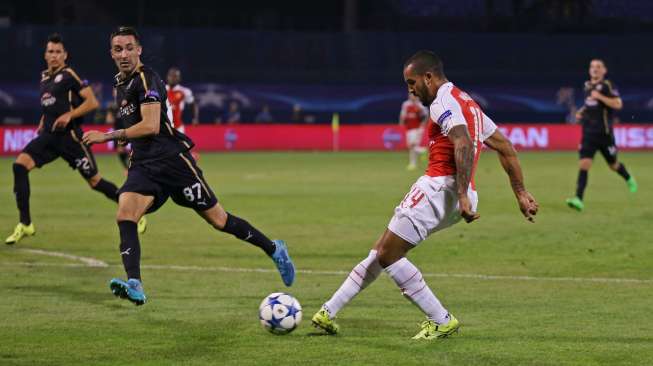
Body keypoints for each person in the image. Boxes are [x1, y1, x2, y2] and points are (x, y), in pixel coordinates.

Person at [311, 50, 539, 340]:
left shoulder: (442, 102)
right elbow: (505, 147)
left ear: (428, 77)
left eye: (412, 82)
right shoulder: (467, 103)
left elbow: (464, 144)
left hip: (440, 188)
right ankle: (328, 311)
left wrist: (461, 193)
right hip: (454, 193)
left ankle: (441, 319)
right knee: (382, 248)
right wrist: (519, 192)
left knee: (388, 254)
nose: (410, 90)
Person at [82, 27, 295, 306]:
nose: (124, 54)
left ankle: (273, 249)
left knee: (219, 220)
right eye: (118, 49)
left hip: (172, 161)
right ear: (111, 53)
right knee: (125, 214)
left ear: (139, 50)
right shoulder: (121, 83)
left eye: (129, 48)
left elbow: (150, 125)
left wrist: (107, 136)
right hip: (145, 165)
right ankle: (135, 283)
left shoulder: (147, 79)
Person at [4, 33, 144, 245]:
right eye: (50, 51)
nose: (54, 56)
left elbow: (92, 102)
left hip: (71, 139)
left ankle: (135, 210)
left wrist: (69, 115)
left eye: (58, 52)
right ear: (45, 55)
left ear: (65, 55)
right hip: (50, 137)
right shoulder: (44, 77)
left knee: (95, 182)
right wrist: (45, 118)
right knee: (19, 167)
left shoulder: (69, 75)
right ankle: (25, 224)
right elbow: (52, 103)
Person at [565, 59, 637, 211]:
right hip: (588, 134)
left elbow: (618, 104)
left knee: (613, 165)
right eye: (592, 67)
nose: (595, 69)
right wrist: (581, 111)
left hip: (605, 135)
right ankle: (578, 199)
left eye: (598, 67)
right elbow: (590, 102)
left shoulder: (607, 86)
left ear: (604, 70)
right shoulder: (587, 86)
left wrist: (601, 97)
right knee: (584, 164)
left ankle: (628, 178)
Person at [399, 93, 428, 170]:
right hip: (409, 128)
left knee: (413, 145)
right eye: (410, 95)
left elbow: (425, 116)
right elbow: (403, 114)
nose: (411, 96)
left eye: (413, 95)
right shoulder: (406, 104)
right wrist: (401, 122)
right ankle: (421, 152)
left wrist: (422, 125)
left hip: (417, 128)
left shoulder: (421, 104)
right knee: (410, 146)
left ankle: (413, 162)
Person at [166, 67, 199, 133]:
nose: (172, 78)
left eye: (175, 76)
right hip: (164, 127)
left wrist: (195, 118)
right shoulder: (161, 89)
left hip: (178, 127)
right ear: (167, 77)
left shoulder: (184, 91)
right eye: (171, 75)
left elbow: (193, 104)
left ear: (179, 78)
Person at [105, 87, 130, 169]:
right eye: (114, 91)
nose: (115, 92)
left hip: (129, 129)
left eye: (117, 91)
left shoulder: (127, 102)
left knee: (135, 149)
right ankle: (126, 168)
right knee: (120, 150)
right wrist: (109, 111)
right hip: (118, 131)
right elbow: (109, 121)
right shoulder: (113, 106)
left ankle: (132, 166)